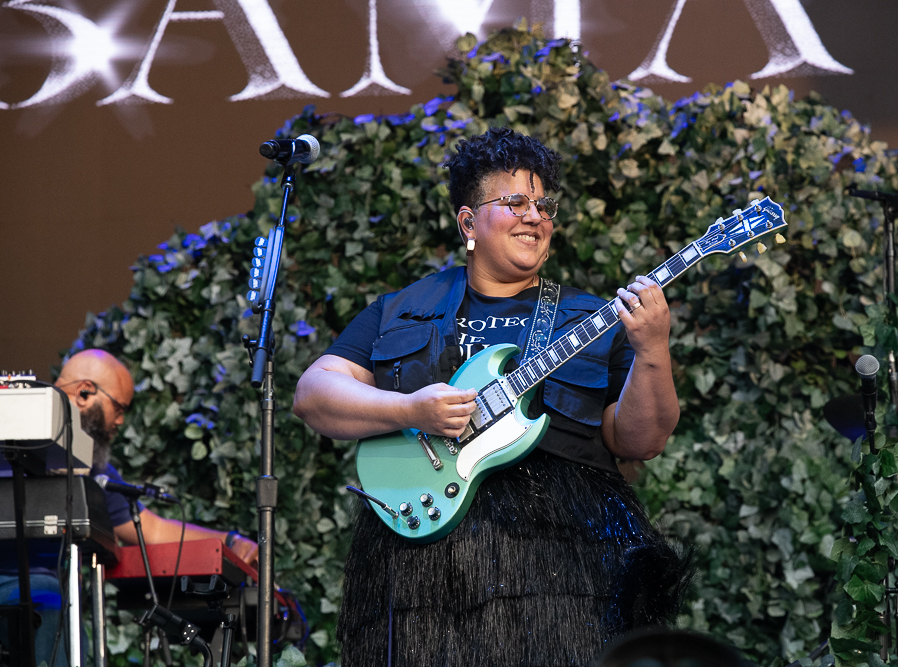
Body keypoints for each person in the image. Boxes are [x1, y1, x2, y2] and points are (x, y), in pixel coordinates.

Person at [294, 126, 691, 666]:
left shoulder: (591, 317)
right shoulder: (401, 307)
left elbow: (642, 441)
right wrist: (410, 409)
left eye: (543, 206)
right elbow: (314, 394)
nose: (535, 217)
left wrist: (653, 349)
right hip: (419, 568)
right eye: (515, 203)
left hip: (562, 567)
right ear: (468, 222)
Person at [0, 349, 258, 666]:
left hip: (39, 594)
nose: (120, 420)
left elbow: (150, 529)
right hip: (33, 592)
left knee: (59, 608)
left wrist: (229, 541)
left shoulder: (90, 464)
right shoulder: (10, 419)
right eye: (118, 407)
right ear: (84, 392)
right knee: (50, 599)